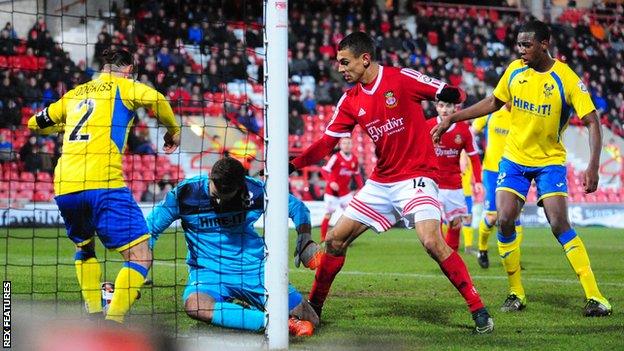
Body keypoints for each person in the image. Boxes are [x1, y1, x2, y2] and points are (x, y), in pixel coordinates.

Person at [289, 32, 493, 333]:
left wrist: (451, 95)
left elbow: (448, 92)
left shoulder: (400, 79)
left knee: (431, 241)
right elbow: (326, 144)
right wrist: (291, 165)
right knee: (333, 240)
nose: (340, 68)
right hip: (382, 181)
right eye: (338, 63)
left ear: (365, 59)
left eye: (345, 62)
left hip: (417, 177)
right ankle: (314, 307)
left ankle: (478, 309)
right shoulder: (350, 100)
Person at [432, 20, 611, 316]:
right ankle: (516, 292)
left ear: (545, 43)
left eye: (527, 45)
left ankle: (595, 296)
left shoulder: (566, 78)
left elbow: (592, 121)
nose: (521, 50)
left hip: (549, 161)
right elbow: (492, 101)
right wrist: (454, 118)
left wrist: (593, 166)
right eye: (518, 44)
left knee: (559, 224)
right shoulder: (515, 70)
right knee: (503, 219)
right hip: (514, 158)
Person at [27, 48, 181, 323]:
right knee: (141, 255)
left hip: (65, 186)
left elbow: (34, 123)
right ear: (127, 69)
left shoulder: (74, 94)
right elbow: (157, 99)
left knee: (85, 248)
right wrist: (174, 131)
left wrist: (60, 127)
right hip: (104, 184)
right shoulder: (126, 86)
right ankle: (114, 322)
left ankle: (95, 313)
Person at [147, 157, 321, 336]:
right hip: (208, 272)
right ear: (210, 178)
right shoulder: (185, 194)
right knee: (196, 306)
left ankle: (241, 309)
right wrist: (145, 251)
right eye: (215, 196)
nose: (219, 203)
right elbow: (151, 227)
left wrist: (305, 239)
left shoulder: (256, 191)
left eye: (226, 197)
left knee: (311, 319)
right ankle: (276, 323)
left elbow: (297, 207)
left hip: (254, 270)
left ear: (240, 186)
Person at [471, 104, 524, 269]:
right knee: (493, 217)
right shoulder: (489, 113)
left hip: (514, 171)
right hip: (492, 171)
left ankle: (513, 256)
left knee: (514, 217)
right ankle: (482, 249)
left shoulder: (521, 116)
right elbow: (472, 131)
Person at [426, 101, 483, 253]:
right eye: (441, 106)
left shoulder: (463, 130)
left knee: (456, 224)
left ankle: (452, 257)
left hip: (454, 185)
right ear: (436, 107)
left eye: (448, 106)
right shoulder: (427, 126)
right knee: (433, 222)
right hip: (432, 184)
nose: (445, 110)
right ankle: (440, 253)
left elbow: (474, 158)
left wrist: (477, 181)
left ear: (455, 108)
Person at [319, 137, 364, 242]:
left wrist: (361, 189)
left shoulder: (354, 159)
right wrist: (331, 182)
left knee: (351, 216)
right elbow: (324, 170)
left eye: (349, 143)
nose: (347, 145)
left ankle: (346, 239)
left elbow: (357, 175)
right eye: (344, 143)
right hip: (332, 193)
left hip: (345, 193)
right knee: (328, 214)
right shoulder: (336, 157)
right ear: (340, 145)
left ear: (352, 145)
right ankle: (323, 238)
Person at [459, 150, 477, 255]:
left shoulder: (470, 156)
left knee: (466, 218)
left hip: (466, 192)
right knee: (453, 220)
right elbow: (463, 166)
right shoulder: (463, 153)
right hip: (461, 192)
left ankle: (468, 247)